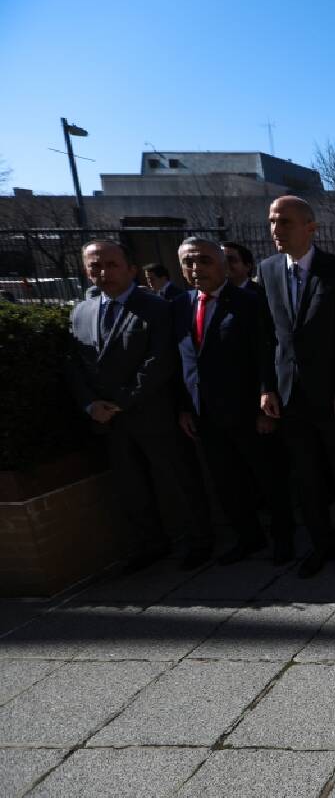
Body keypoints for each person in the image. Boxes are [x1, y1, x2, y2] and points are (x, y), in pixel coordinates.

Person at [65, 240, 213, 571]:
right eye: (94, 267)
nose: (103, 273)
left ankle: (200, 540)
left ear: (131, 268)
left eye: (112, 265)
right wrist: (91, 405)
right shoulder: (80, 313)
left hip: (153, 414)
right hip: (109, 422)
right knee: (132, 487)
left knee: (179, 481)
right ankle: (151, 544)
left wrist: (119, 401)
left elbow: (160, 361)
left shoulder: (157, 307)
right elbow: (75, 364)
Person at [258, 195, 335, 578]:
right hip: (291, 397)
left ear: (310, 227)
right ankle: (322, 545)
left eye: (285, 222)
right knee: (305, 477)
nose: (276, 229)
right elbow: (269, 336)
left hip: (334, 397)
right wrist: (268, 387)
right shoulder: (268, 270)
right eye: (272, 221)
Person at [173, 237, 293, 566]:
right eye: (188, 262)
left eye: (204, 261)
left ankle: (285, 539)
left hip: (249, 413)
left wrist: (265, 403)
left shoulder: (249, 303)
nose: (196, 268)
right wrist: (185, 407)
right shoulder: (179, 306)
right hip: (204, 414)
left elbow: (266, 355)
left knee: (268, 480)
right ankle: (248, 537)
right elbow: (181, 361)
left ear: (223, 265)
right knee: (227, 482)